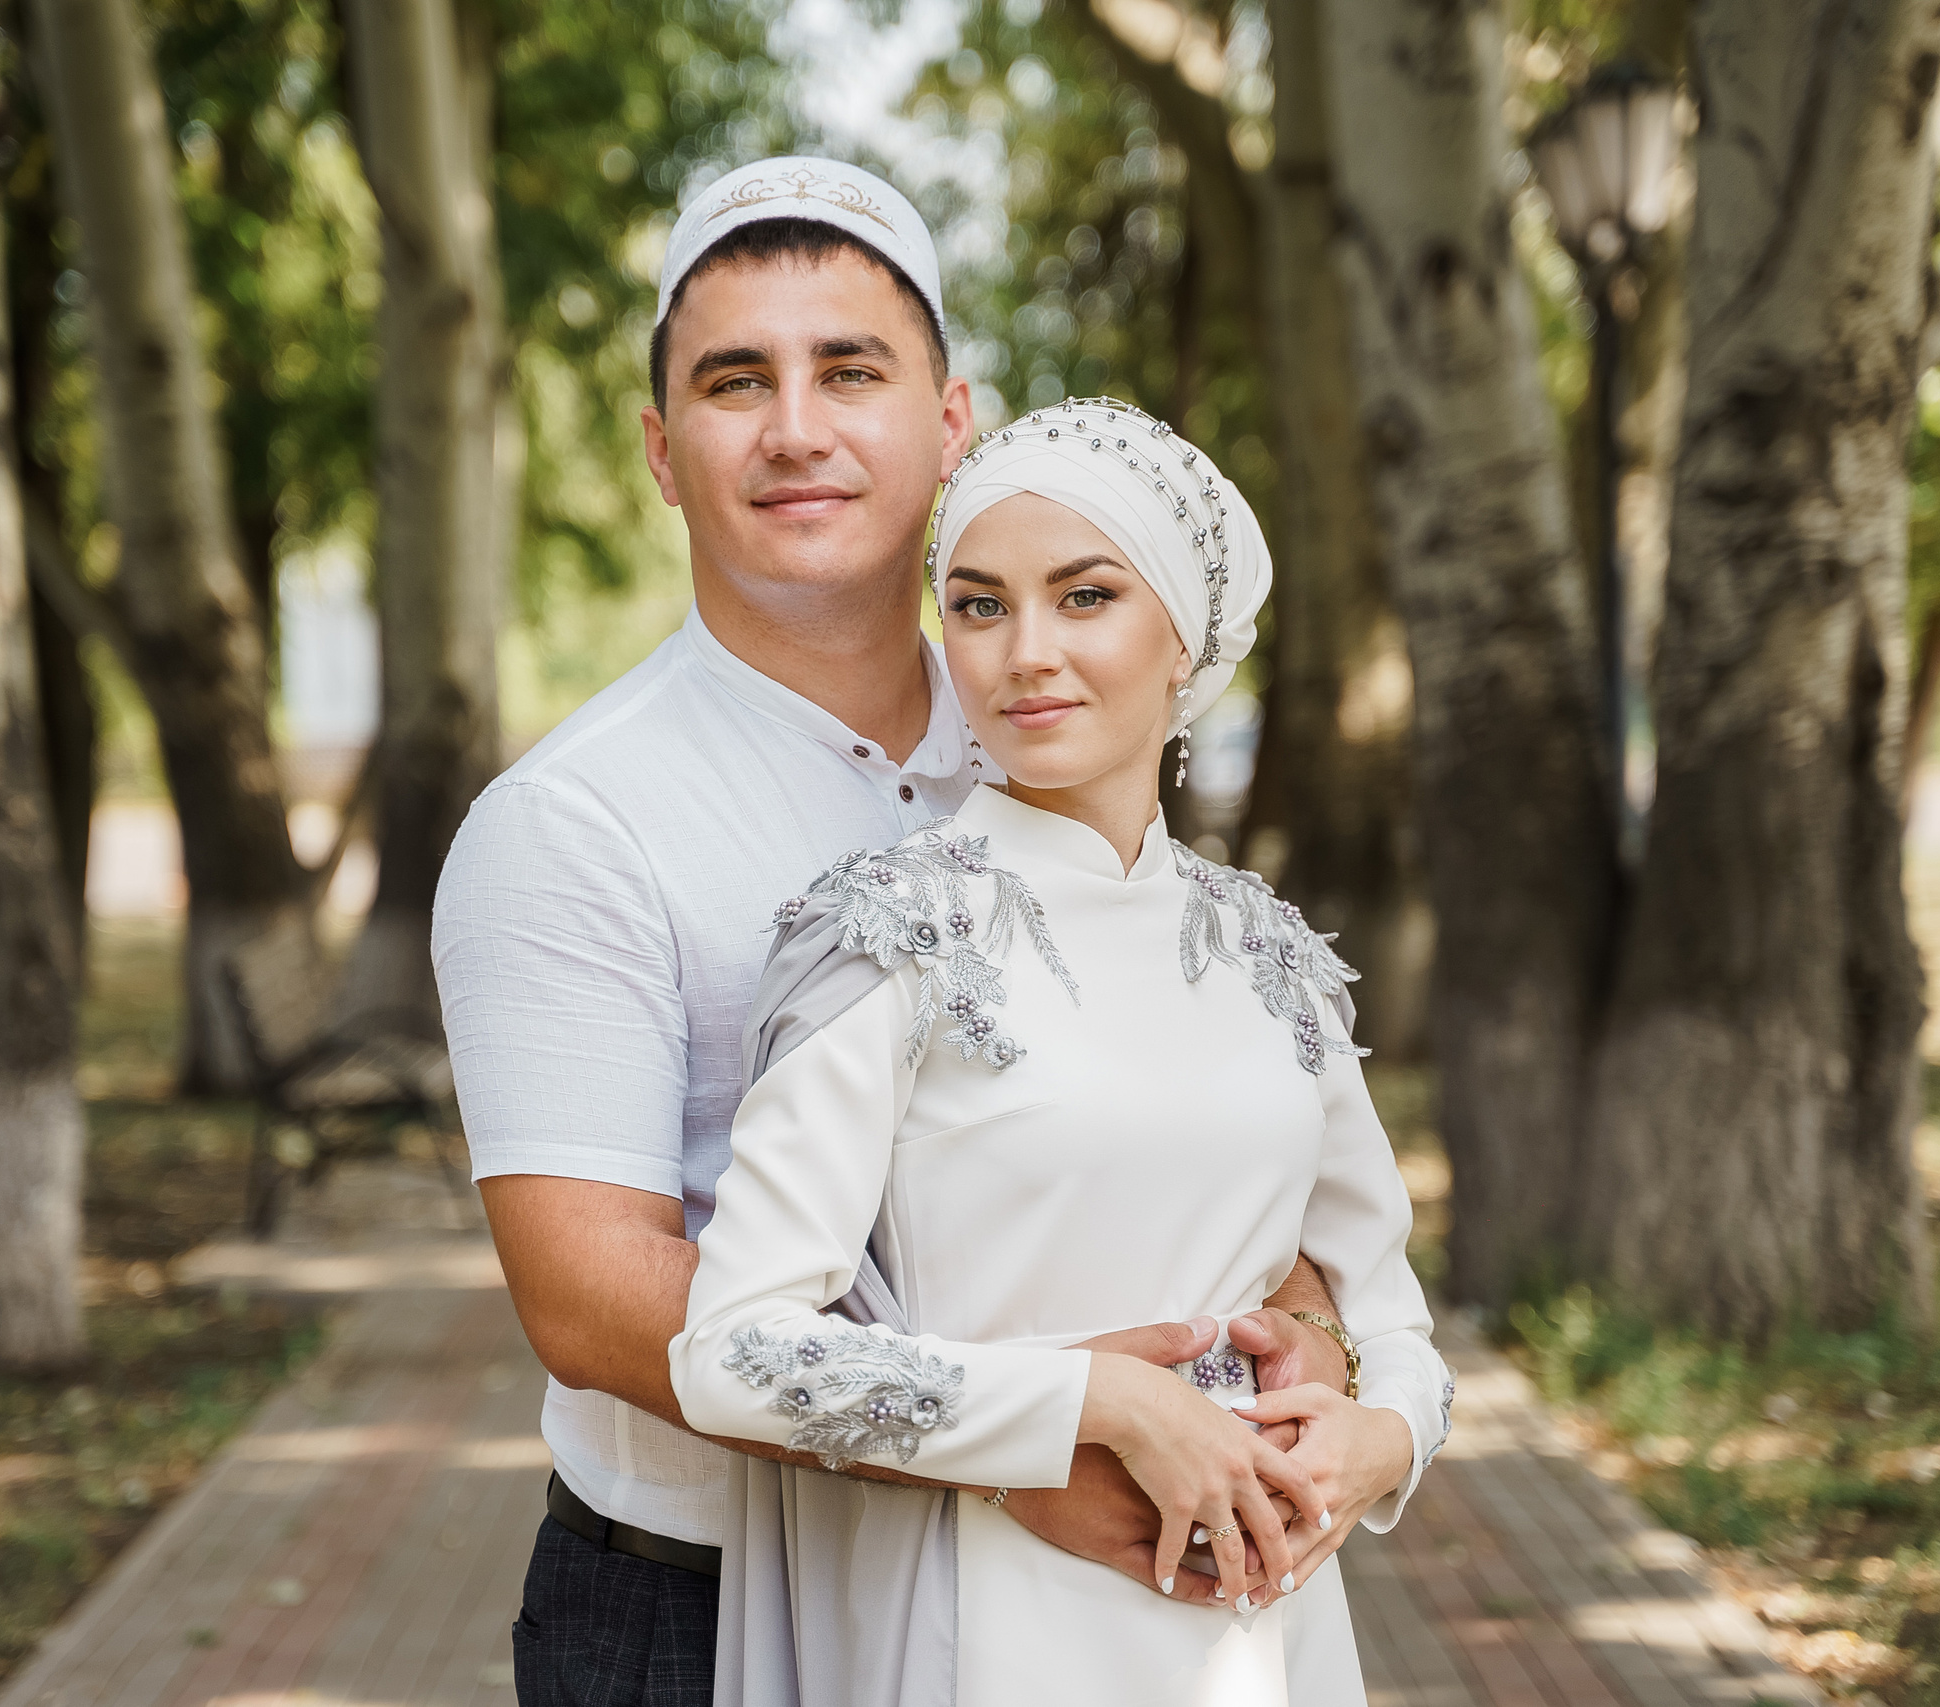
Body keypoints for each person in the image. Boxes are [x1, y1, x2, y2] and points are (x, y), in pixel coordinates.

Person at [432, 156, 1447, 1706]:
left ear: (952, 419)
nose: (796, 427)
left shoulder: (1056, 740)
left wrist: (1323, 1366)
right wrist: (1033, 1441)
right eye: (732, 382)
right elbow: (588, 1297)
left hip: (1153, 1594)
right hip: (692, 1615)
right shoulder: (571, 820)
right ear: (657, 448)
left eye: (851, 369)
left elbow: (1267, 1195)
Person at [669, 398, 1450, 1705]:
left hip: (1266, 1637)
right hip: (994, 1630)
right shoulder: (888, 933)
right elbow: (734, 1354)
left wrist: (1383, 1440)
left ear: (1185, 635)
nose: (1025, 653)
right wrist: (1094, 1406)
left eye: (1085, 597)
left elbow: (1389, 1311)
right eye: (978, 605)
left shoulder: (1273, 957)